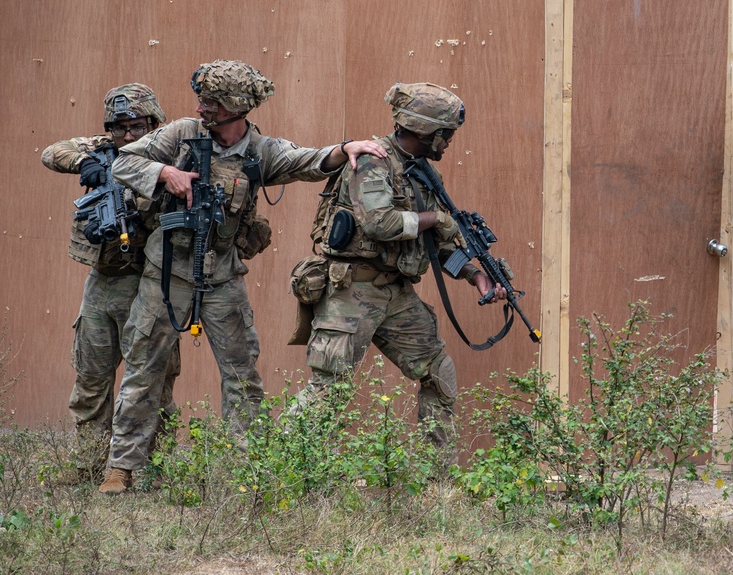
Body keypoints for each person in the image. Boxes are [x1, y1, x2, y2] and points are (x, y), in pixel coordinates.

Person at [98, 60, 386, 494]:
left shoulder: (258, 151)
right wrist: (165, 172)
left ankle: (246, 473)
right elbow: (123, 163)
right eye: (202, 99)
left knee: (241, 374)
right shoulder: (180, 133)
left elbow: (305, 161)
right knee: (143, 368)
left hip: (222, 278)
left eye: (211, 101)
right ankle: (121, 468)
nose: (202, 107)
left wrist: (346, 149)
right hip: (167, 275)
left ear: (236, 107)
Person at [288, 82, 505, 454]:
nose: (449, 141)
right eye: (446, 134)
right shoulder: (373, 161)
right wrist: (436, 218)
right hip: (352, 290)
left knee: (439, 374)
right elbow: (379, 224)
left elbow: (433, 245)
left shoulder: (420, 171)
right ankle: (271, 477)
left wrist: (474, 275)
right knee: (329, 389)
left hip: (396, 293)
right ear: (427, 131)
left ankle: (438, 482)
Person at [41, 83, 181, 484]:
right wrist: (90, 163)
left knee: (152, 381)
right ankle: (87, 463)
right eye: (119, 128)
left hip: (148, 282)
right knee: (90, 378)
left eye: (136, 126)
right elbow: (53, 151)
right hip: (102, 281)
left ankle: (155, 467)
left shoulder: (168, 155)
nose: (128, 136)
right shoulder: (105, 147)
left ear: (154, 122)